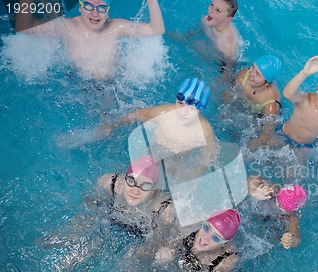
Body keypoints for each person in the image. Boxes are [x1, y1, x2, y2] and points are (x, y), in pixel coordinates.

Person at [38, 156, 175, 272]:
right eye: (131, 181)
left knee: (129, 263)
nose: (135, 190)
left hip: (139, 235)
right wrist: (81, 225)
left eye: (145, 186)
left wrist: (150, 253)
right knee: (80, 234)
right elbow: (88, 205)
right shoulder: (110, 183)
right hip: (109, 217)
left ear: (155, 189)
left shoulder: (163, 209)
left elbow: (160, 240)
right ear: (126, 177)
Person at [16, 0, 165, 80]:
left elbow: (156, 30)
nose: (95, 13)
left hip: (113, 83)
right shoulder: (68, 27)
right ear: (80, 7)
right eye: (88, 6)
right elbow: (25, 28)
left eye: (101, 8)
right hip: (79, 83)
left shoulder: (116, 27)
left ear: (108, 10)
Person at [102, 77, 217, 157]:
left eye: (191, 109)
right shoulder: (164, 113)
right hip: (152, 155)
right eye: (180, 104)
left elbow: (208, 157)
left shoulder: (204, 130)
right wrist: (112, 126)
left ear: (200, 110)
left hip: (176, 163)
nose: (183, 112)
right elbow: (136, 114)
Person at [247, 175, 307, 249]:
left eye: (280, 209)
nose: (275, 206)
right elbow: (253, 178)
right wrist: (255, 192)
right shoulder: (273, 191)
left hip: (274, 226)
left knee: (274, 238)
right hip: (257, 215)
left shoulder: (291, 217)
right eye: (276, 202)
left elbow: (297, 239)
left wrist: (290, 240)